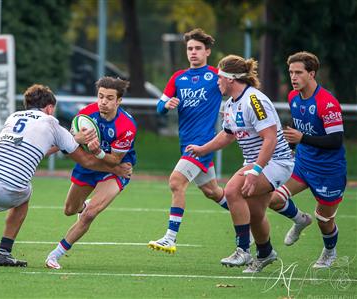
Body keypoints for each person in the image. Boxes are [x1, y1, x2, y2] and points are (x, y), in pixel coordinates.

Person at [0, 84, 132, 267]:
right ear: (49, 108)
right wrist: (115, 168)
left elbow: (36, 146)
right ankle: (4, 252)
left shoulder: (14, 117)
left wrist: (72, 138)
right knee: (25, 196)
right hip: (10, 187)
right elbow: (85, 160)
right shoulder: (52, 123)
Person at [187, 55, 294, 273]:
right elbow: (227, 135)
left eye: (220, 77)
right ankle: (265, 253)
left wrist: (255, 170)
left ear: (231, 79)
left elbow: (270, 138)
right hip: (258, 162)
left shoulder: (254, 101)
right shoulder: (231, 105)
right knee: (254, 213)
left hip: (276, 161)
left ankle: (242, 250)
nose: (217, 81)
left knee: (233, 190)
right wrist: (202, 149)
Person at [148, 28, 230, 254]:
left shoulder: (216, 76)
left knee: (176, 182)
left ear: (207, 52)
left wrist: (232, 111)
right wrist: (166, 106)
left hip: (203, 144)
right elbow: (158, 108)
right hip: (186, 143)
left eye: (198, 49)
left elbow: (237, 92)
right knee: (213, 191)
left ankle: (170, 238)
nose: (193, 52)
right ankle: (248, 220)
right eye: (189, 49)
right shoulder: (178, 78)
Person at [45, 76, 137, 270]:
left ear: (119, 101)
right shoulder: (85, 115)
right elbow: (71, 145)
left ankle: (55, 255)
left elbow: (114, 161)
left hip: (116, 170)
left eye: (110, 98)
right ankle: (84, 206)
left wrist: (98, 151)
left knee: (89, 214)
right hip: (88, 166)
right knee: (70, 210)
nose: (103, 101)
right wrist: (76, 138)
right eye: (101, 96)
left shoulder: (127, 126)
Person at [268, 51, 346, 268]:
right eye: (291, 72)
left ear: (311, 74)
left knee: (324, 220)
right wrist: (292, 147)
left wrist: (303, 138)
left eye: (299, 72)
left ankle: (329, 252)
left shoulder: (327, 102)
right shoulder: (293, 97)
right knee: (273, 199)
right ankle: (300, 220)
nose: (293, 77)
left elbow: (336, 140)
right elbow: (298, 128)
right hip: (303, 165)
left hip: (329, 171)